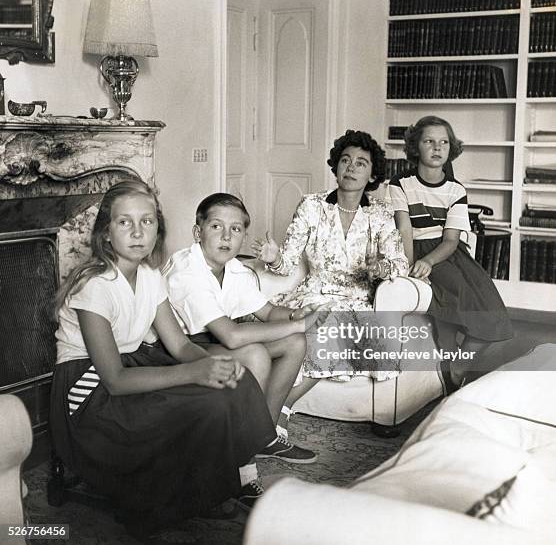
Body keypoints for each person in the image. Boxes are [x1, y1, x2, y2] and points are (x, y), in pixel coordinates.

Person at [49, 180, 276, 534]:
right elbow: (115, 381)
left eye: (148, 221)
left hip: (134, 366)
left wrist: (209, 364)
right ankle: (169, 499)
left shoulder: (150, 276)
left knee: (236, 380)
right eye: (125, 222)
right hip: (90, 395)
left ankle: (216, 485)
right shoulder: (94, 286)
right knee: (204, 403)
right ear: (105, 233)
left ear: (159, 228)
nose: (138, 232)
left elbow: (180, 346)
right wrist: (194, 374)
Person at [251, 129, 409, 415]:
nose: (351, 167)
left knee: (333, 330)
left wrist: (381, 268)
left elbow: (401, 263)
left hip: (357, 300)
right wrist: (274, 257)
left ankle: (276, 410)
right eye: (345, 160)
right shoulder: (312, 205)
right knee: (313, 328)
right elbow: (287, 261)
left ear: (373, 175)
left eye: (361, 163)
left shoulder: (381, 214)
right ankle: (273, 413)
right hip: (314, 293)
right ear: (336, 166)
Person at [163, 193, 319, 469]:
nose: (226, 236)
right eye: (216, 227)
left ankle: (264, 437)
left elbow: (268, 312)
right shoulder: (186, 270)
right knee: (256, 353)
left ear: (244, 238)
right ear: (197, 232)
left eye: (235, 229)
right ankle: (243, 462)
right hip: (177, 349)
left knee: (294, 342)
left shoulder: (235, 270)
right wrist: (297, 324)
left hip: (214, 340)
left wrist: (296, 315)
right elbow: (231, 336)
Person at [388, 115, 513, 391]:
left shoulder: (455, 190)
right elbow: (404, 229)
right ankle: (446, 371)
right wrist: (411, 269)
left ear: (451, 148)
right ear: (415, 147)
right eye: (429, 141)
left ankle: (456, 367)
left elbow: (451, 239)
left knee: (492, 314)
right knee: (446, 309)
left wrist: (429, 261)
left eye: (443, 142)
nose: (437, 147)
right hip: (413, 250)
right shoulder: (400, 183)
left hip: (445, 253)